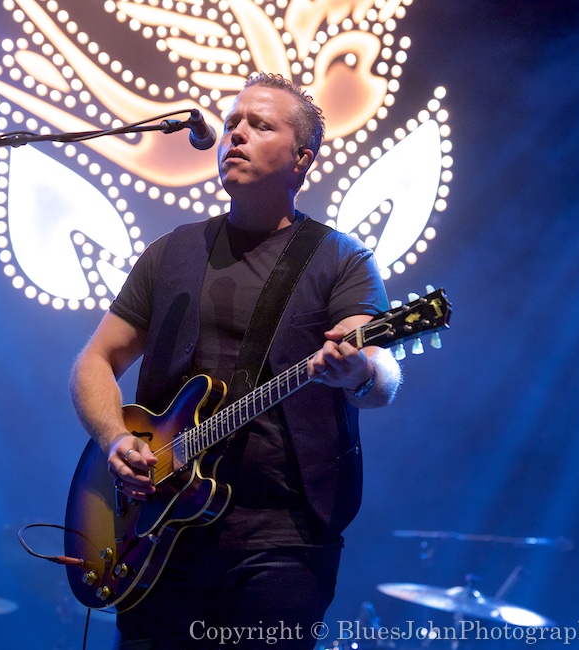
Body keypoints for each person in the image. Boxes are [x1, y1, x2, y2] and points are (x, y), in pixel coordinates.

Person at [69, 72, 402, 649]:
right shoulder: (170, 253)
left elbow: (379, 371)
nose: (235, 135)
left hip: (283, 538)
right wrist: (113, 440)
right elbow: (94, 362)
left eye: (259, 125)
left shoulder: (340, 259)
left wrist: (362, 371)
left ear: (302, 159)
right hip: (157, 531)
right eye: (231, 124)